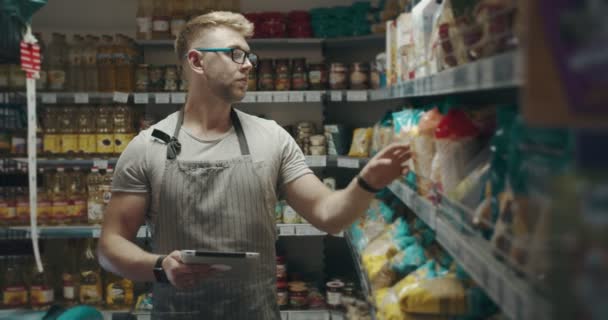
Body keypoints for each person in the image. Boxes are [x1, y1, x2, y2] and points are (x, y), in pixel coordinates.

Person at [97, 11, 411, 320]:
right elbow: (110, 245)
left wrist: (366, 182)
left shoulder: (271, 138)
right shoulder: (148, 146)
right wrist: (160, 266)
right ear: (196, 61)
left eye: (249, 56)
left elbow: (329, 216)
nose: (248, 65)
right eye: (235, 54)